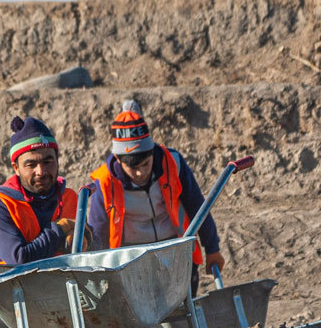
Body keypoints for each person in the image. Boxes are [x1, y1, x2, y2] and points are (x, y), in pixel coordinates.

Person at [85, 101, 224, 294]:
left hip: (176, 252)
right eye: (133, 168)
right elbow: (98, 233)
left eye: (145, 164)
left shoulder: (172, 163)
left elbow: (197, 207)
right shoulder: (105, 182)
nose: (141, 173)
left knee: (184, 311)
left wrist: (212, 248)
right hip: (132, 262)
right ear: (118, 159)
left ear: (152, 151)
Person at [0, 116, 79, 266]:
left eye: (48, 162)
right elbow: (20, 259)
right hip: (10, 288)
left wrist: (87, 239)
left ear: (57, 160)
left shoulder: (69, 197)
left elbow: (95, 247)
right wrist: (59, 229)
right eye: (31, 164)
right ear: (16, 168)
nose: (41, 171)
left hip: (63, 286)